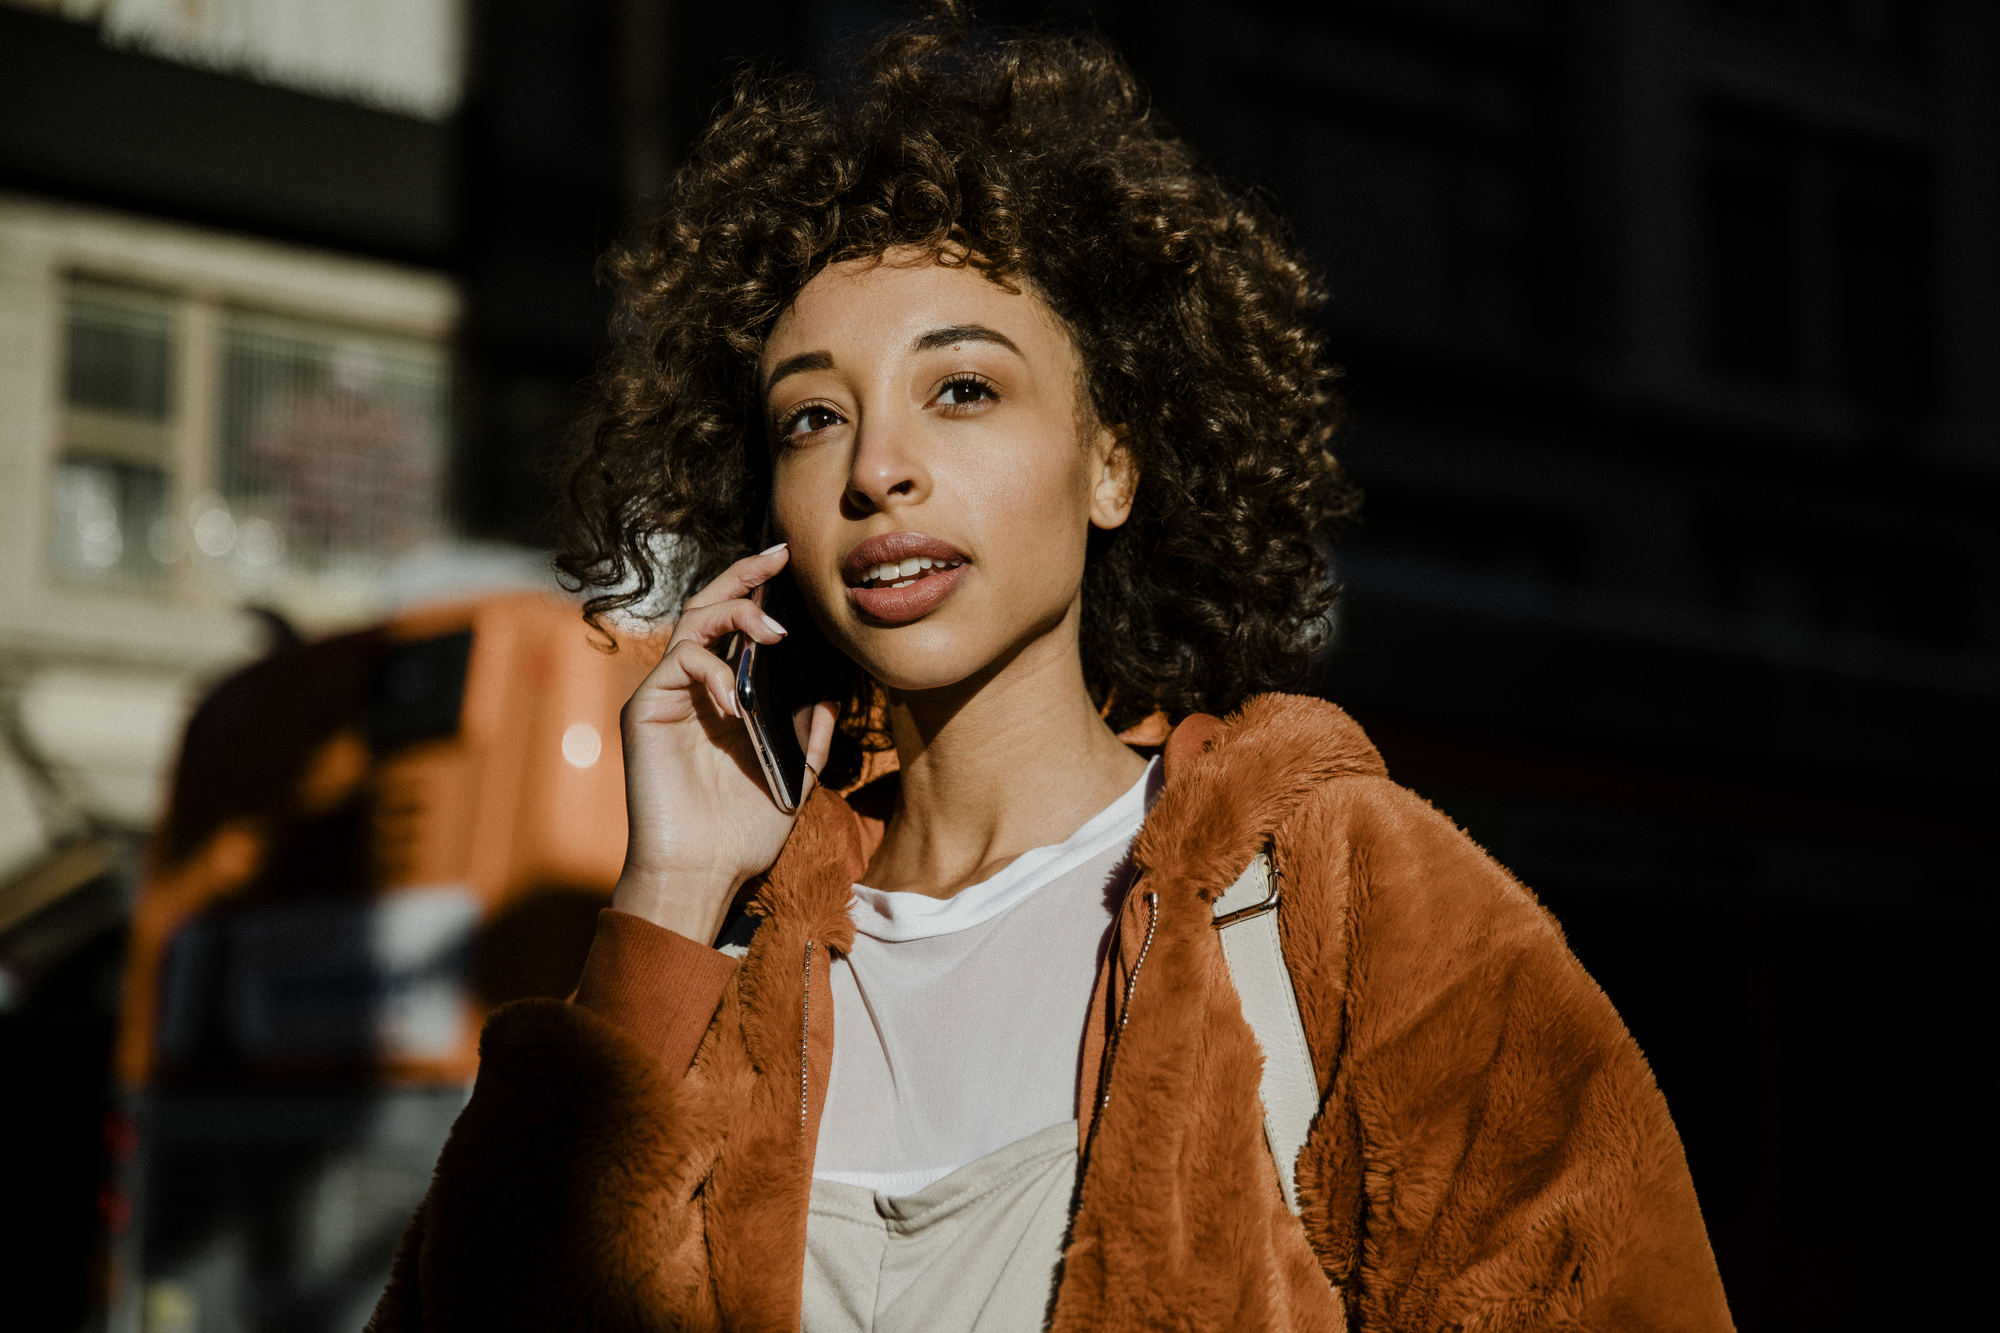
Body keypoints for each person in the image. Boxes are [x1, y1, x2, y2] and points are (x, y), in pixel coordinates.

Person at [369, 7, 1733, 1330]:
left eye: (962, 389)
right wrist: (669, 896)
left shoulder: (1349, 901)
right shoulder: (726, 977)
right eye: (812, 416)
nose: (877, 467)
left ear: (1114, 463)